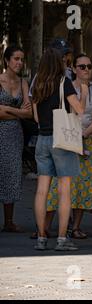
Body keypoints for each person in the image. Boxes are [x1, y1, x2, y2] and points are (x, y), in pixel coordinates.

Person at [45, 54, 92, 239]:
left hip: (89, 139)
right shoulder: (65, 86)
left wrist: (84, 134)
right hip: (67, 139)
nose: (86, 70)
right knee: (58, 184)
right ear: (73, 68)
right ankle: (45, 226)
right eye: (82, 66)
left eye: (89, 66)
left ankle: (76, 226)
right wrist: (75, 137)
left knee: (83, 185)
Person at [32, 48, 87, 251]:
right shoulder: (64, 83)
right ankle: (62, 239)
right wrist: (85, 94)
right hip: (62, 140)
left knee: (41, 190)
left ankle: (41, 237)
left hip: (42, 139)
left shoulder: (37, 84)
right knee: (64, 190)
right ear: (60, 63)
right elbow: (80, 110)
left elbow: (36, 117)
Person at [0, 45, 32, 232]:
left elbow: (28, 114)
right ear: (6, 60)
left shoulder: (23, 83)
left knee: (12, 174)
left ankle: (9, 221)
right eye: (16, 59)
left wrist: (8, 110)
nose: (19, 62)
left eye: (21, 59)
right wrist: (19, 112)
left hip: (14, 135)